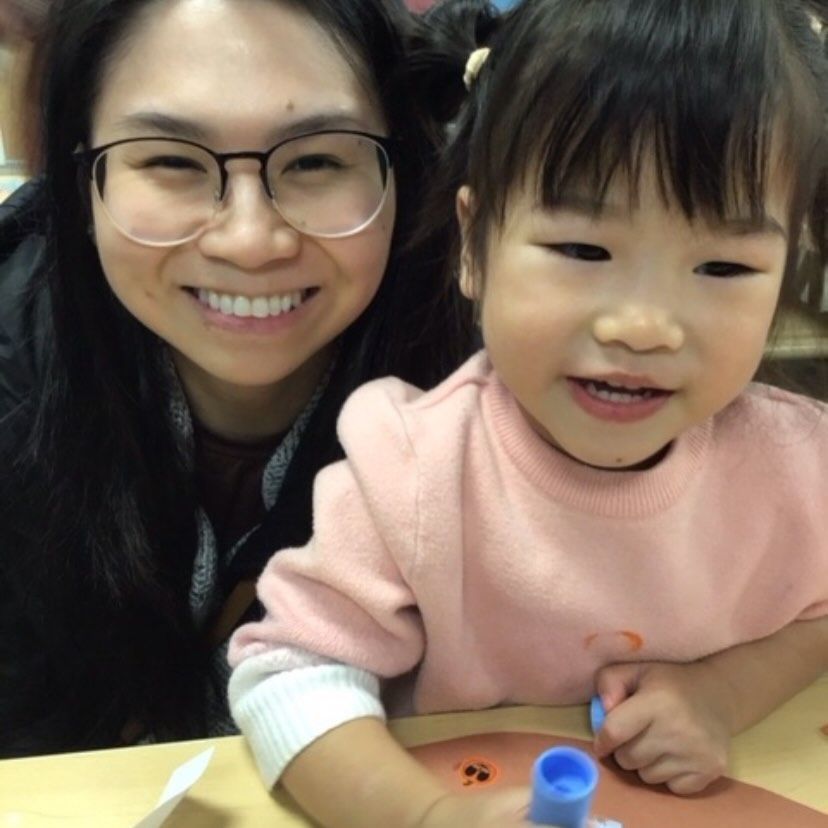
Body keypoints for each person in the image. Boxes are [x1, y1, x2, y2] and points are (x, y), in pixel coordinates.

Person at [227, 0, 828, 825]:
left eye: (723, 266)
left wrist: (725, 693)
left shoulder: (799, 470)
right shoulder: (414, 469)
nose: (642, 327)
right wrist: (426, 818)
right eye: (583, 251)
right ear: (476, 247)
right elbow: (287, 676)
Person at [0, 0, 473, 758]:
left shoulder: (492, 399)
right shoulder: (17, 383)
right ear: (83, 176)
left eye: (317, 159)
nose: (251, 241)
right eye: (173, 162)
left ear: (404, 172)